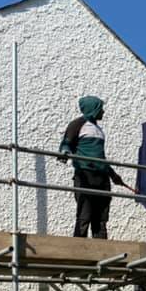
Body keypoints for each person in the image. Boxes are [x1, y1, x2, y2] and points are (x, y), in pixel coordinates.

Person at [59, 96, 127, 239]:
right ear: (92, 108)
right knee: (85, 214)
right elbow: (67, 143)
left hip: (101, 177)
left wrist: (113, 175)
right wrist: (65, 152)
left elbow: (100, 158)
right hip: (85, 174)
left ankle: (102, 250)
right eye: (100, 108)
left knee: (101, 217)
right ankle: (78, 248)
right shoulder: (77, 124)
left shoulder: (98, 129)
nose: (103, 111)